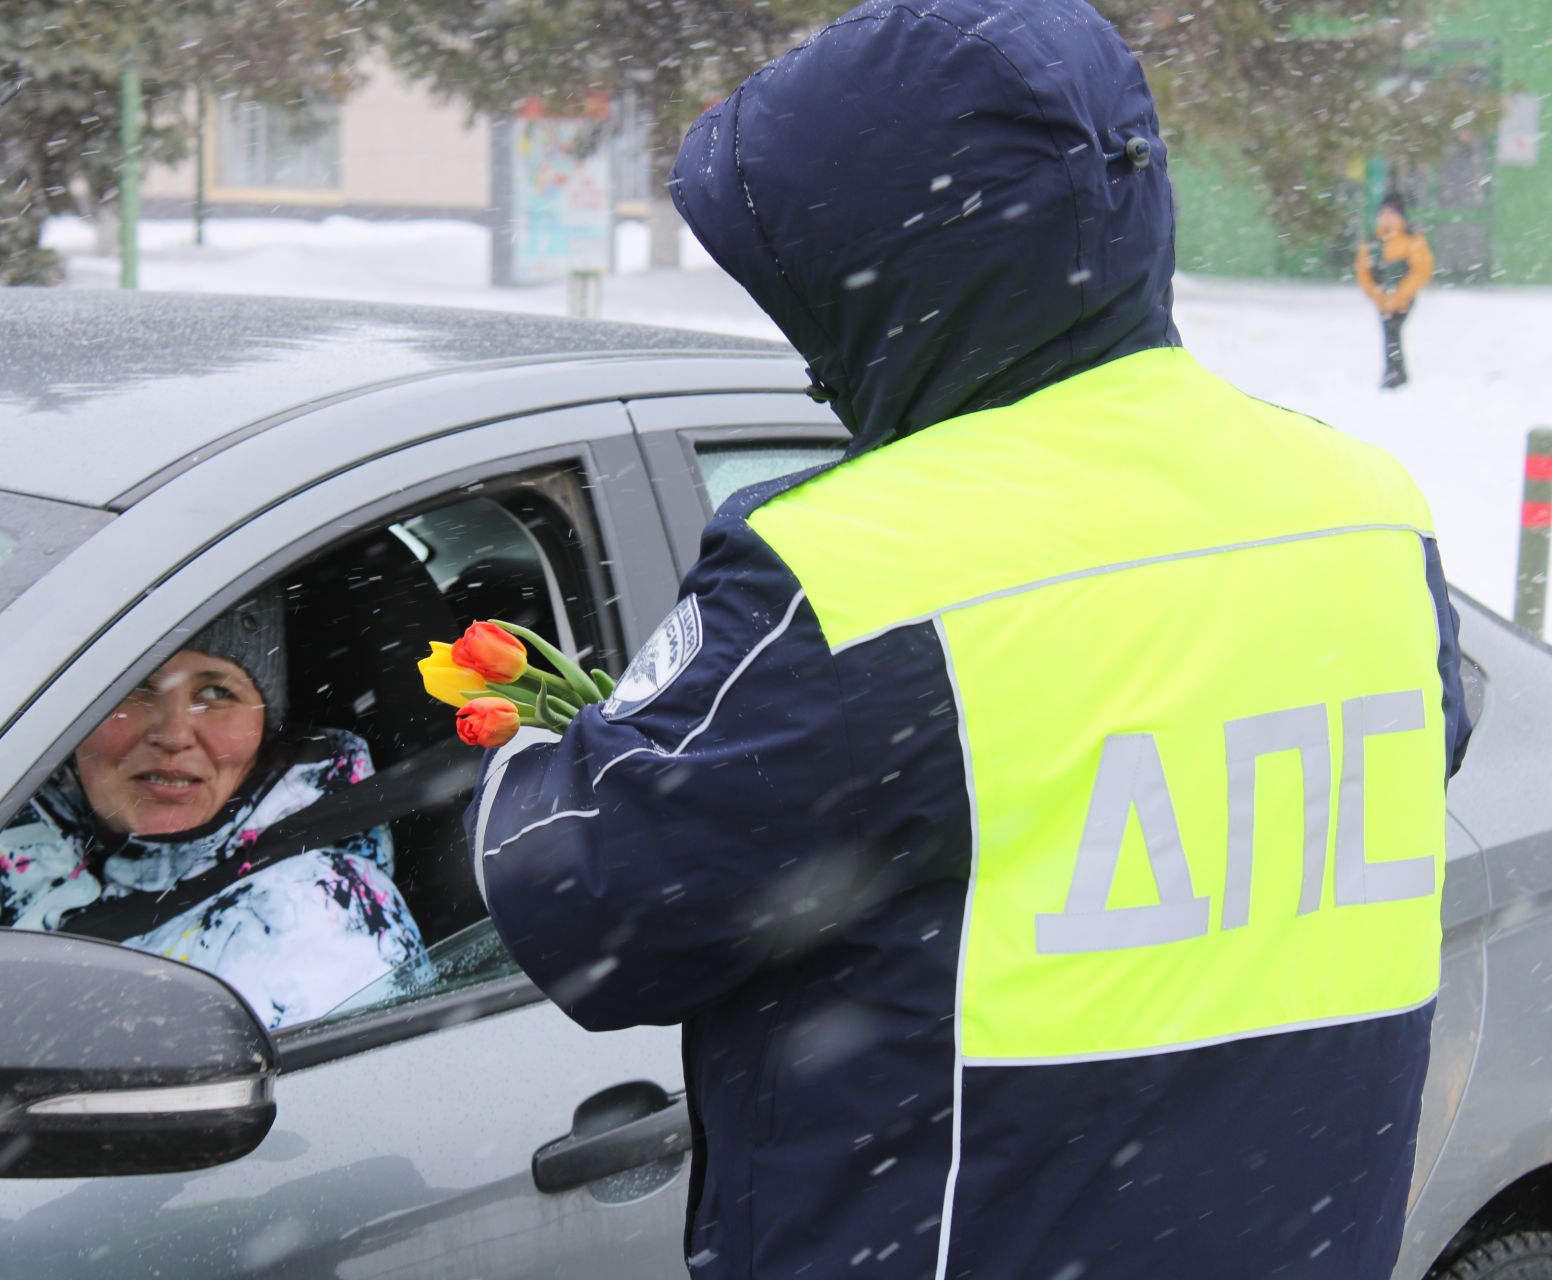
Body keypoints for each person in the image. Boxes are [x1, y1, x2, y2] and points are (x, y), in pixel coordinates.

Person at [465, 2, 1473, 1277]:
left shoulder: (861, 565)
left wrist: (521, 756)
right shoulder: (1362, 507)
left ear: (886, 259)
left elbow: (595, 896)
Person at [0, 586, 424, 1029]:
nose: (171, 734)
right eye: (135, 686)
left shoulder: (320, 923)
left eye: (215, 693)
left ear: (263, 726)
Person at [1356, 191, 1435, 389]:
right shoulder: (1373, 241)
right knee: (1390, 332)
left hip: (1403, 300)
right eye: (1383, 213)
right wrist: (1377, 294)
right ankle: (1394, 372)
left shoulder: (1411, 239)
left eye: (1391, 213)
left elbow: (1420, 270)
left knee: (1392, 331)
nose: (1387, 218)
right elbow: (1363, 271)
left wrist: (1399, 295)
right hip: (1382, 299)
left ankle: (1395, 372)